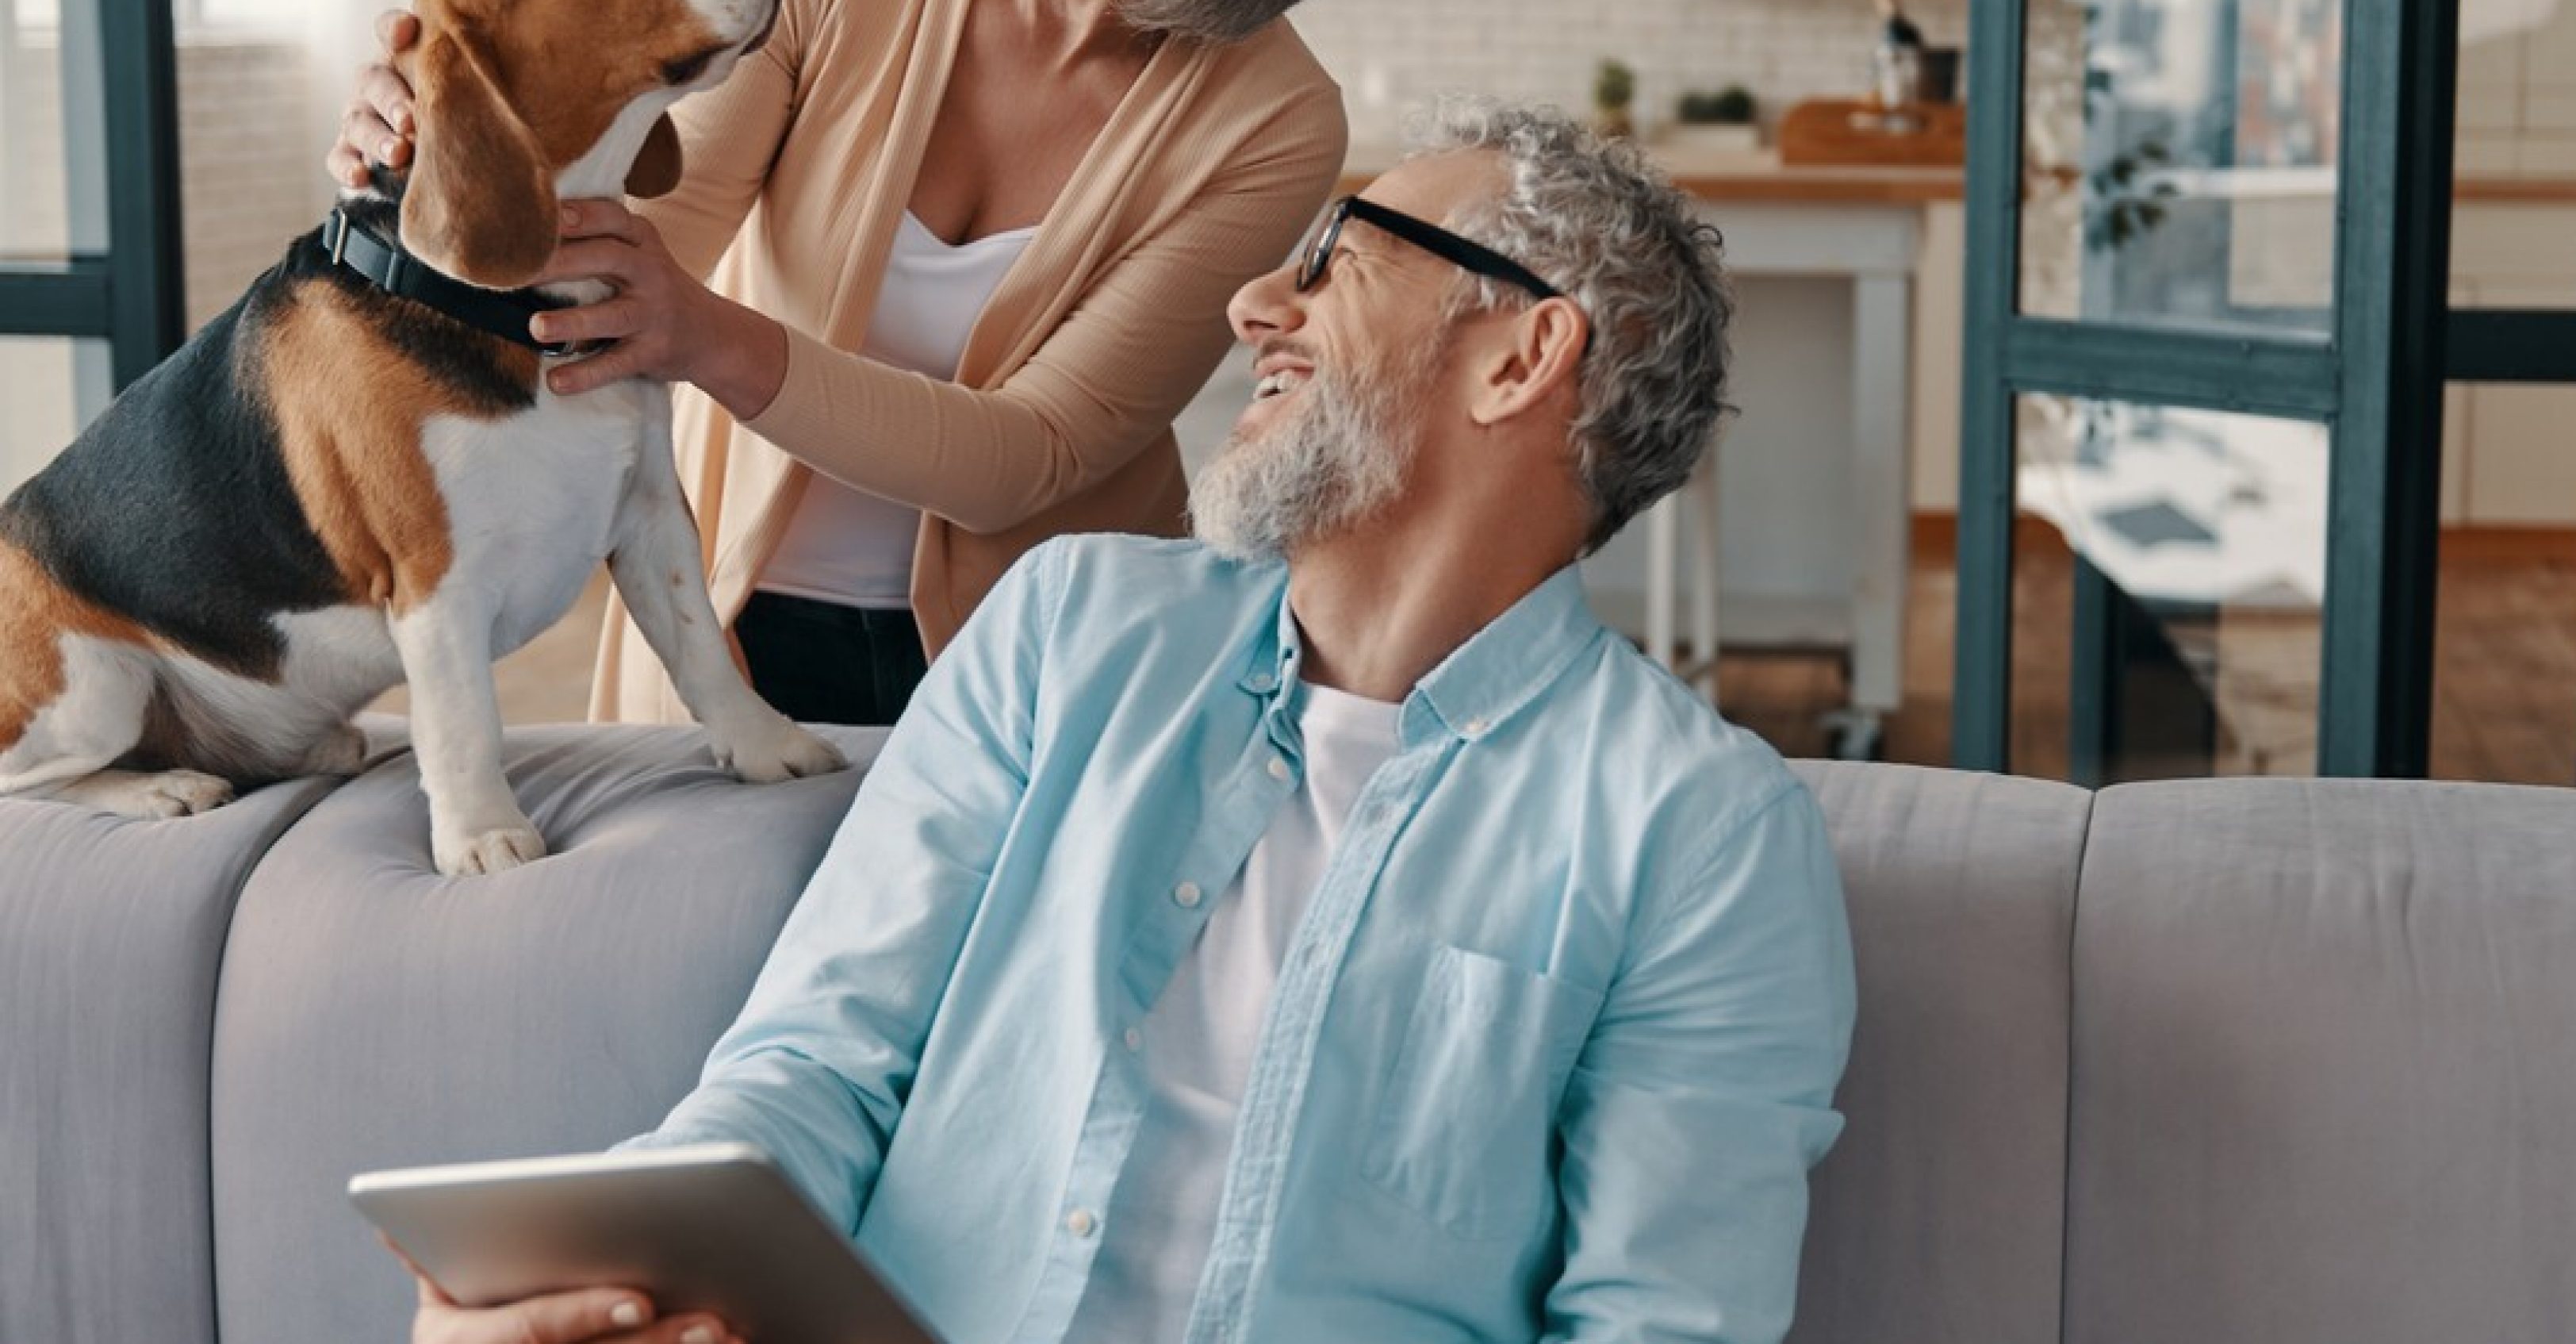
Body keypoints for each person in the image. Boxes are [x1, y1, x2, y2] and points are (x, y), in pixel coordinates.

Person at [407, 102, 1860, 1344]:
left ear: (1524, 358)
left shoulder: (1703, 832)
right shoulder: (1065, 633)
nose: (1255, 307)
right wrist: (614, 1273)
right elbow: (818, 1065)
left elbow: (1658, 1322)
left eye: (1337, 261)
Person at [328, 0, 1371, 728]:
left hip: (1045, 675)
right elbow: (625, 246)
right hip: (723, 628)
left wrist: (713, 339)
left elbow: (1034, 453)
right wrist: (432, 143)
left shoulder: (1276, 123)